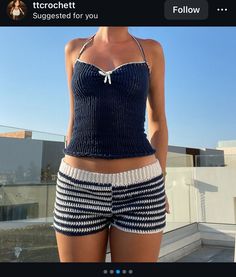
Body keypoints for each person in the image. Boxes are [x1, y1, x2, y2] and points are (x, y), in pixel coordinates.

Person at [53, 26, 170, 262]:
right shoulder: (74, 49)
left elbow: (157, 119)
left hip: (142, 191)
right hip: (77, 188)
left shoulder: (151, 50)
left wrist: (162, 178)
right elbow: (74, 116)